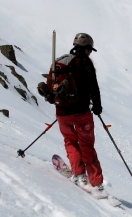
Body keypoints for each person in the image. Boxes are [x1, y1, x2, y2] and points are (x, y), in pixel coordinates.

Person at [41, 32, 104, 191]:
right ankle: (96, 183)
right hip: (81, 113)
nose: (90, 53)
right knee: (87, 145)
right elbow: (93, 87)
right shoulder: (85, 63)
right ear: (86, 48)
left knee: (70, 141)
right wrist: (97, 106)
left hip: (62, 113)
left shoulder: (61, 61)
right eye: (90, 49)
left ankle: (79, 174)